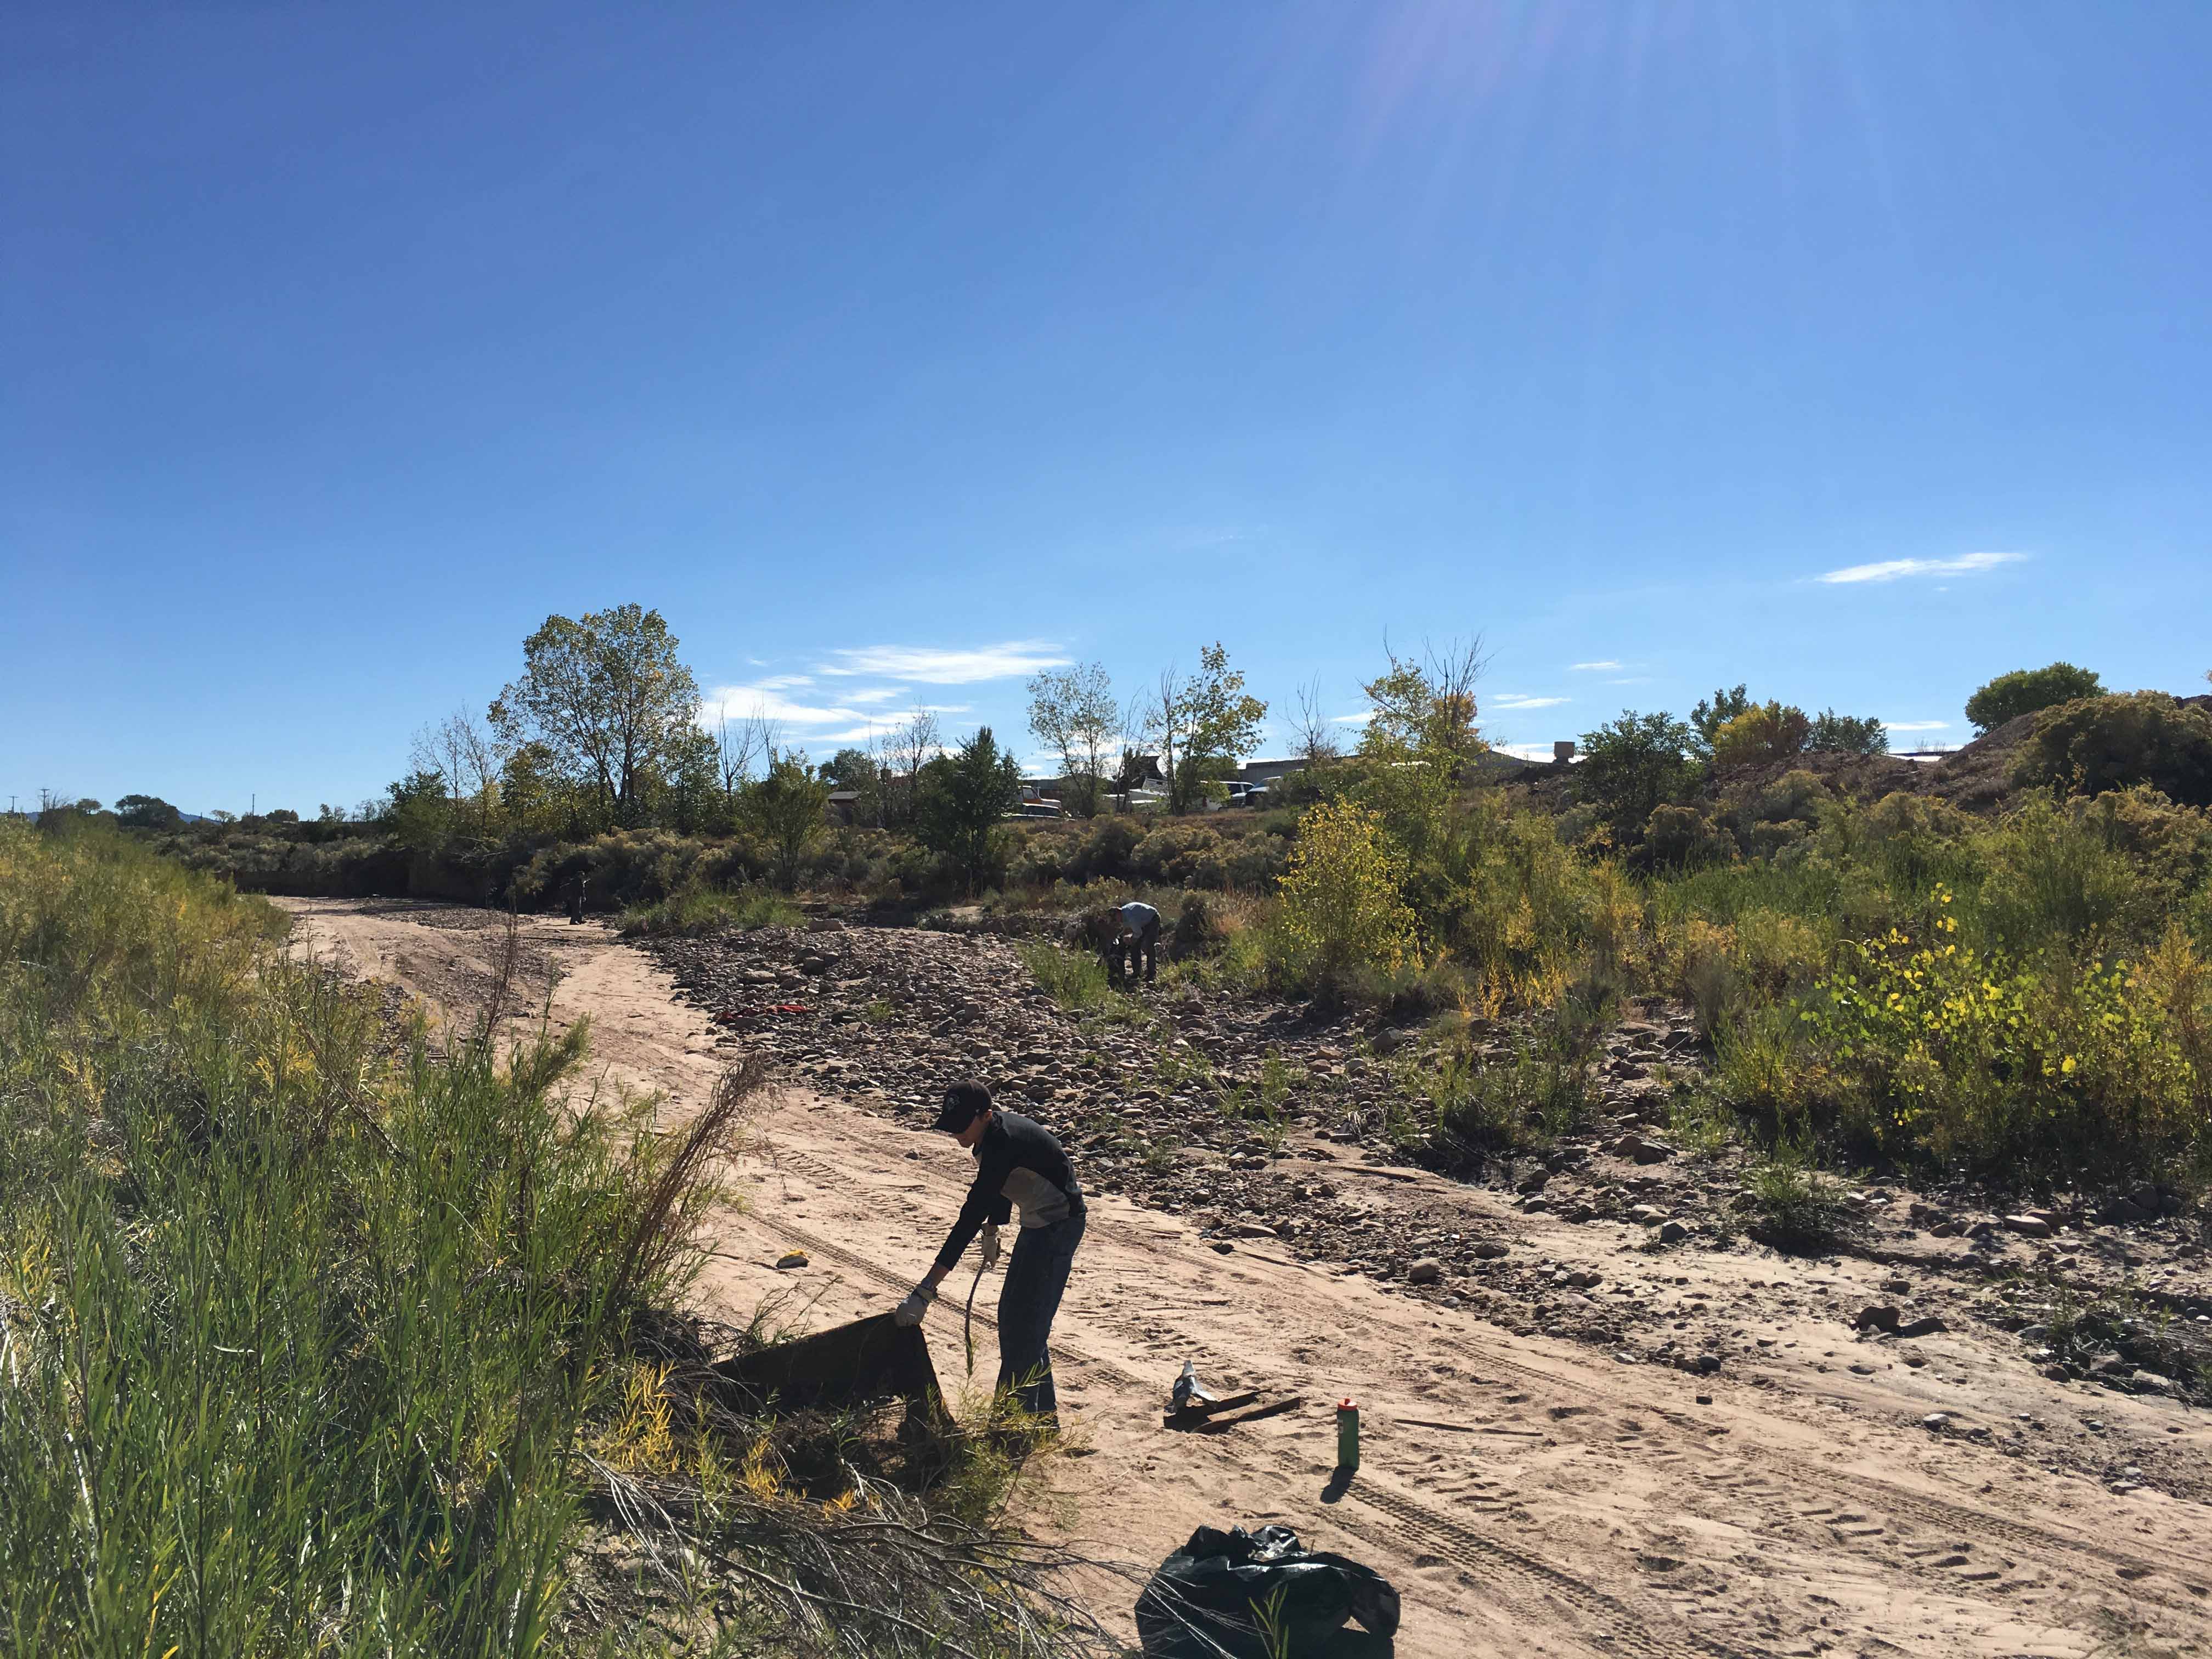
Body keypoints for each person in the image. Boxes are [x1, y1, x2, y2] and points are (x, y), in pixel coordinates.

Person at [895, 1081, 1086, 1429]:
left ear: (985, 1115)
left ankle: (1013, 1426)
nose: (955, 1133)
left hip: (1058, 1226)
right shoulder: (989, 1136)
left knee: (1026, 1328)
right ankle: (1041, 1421)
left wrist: (926, 1289)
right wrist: (995, 1229)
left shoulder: (1004, 1142)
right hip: (1036, 1222)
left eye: (961, 1124)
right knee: (1015, 1319)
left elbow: (970, 1214)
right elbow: (1001, 1187)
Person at [1111, 899, 1160, 985]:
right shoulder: (1124, 916)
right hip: (1142, 923)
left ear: (1118, 913)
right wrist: (1121, 938)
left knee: (1148, 946)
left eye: (1115, 919)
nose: (1117, 921)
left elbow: (1138, 933)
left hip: (1153, 919)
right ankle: (1137, 974)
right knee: (1135, 947)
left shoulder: (1130, 917)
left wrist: (1132, 940)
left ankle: (1152, 974)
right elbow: (1127, 930)